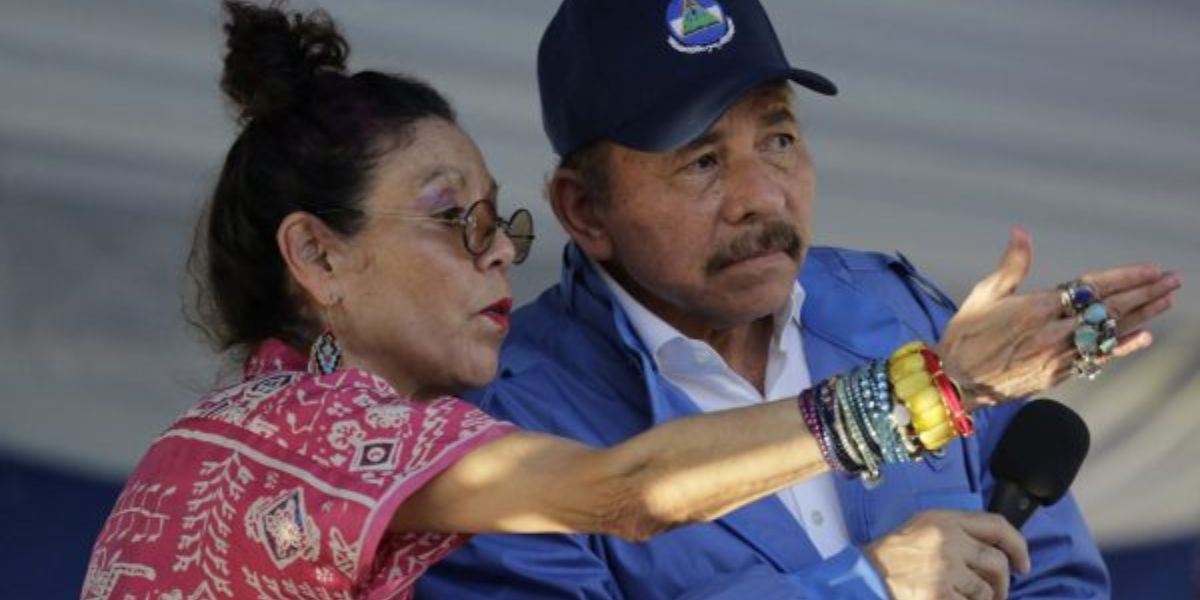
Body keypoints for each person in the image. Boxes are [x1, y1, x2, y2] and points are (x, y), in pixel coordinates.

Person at [79, 3, 1092, 599]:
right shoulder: (327, 430)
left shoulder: (294, 430)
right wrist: (930, 394)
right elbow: (630, 490)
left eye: (779, 138)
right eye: (452, 222)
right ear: (318, 256)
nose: (496, 262)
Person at [418, 1, 1181, 598]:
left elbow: (1058, 576)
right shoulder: (499, 424)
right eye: (702, 160)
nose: (761, 197)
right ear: (585, 210)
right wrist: (864, 588)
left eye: (778, 139)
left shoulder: (894, 312)